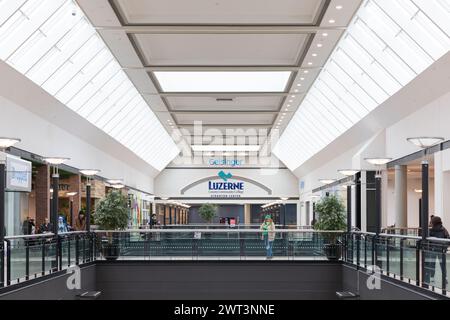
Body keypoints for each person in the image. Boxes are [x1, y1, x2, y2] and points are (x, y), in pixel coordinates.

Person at [424, 216, 449, 286]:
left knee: (432, 264)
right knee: (443, 265)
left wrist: (429, 247)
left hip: (433, 250)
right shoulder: (443, 229)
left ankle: (432, 277)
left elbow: (427, 239)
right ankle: (445, 278)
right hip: (441, 250)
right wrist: (445, 247)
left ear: (433, 222)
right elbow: (448, 238)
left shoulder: (431, 230)